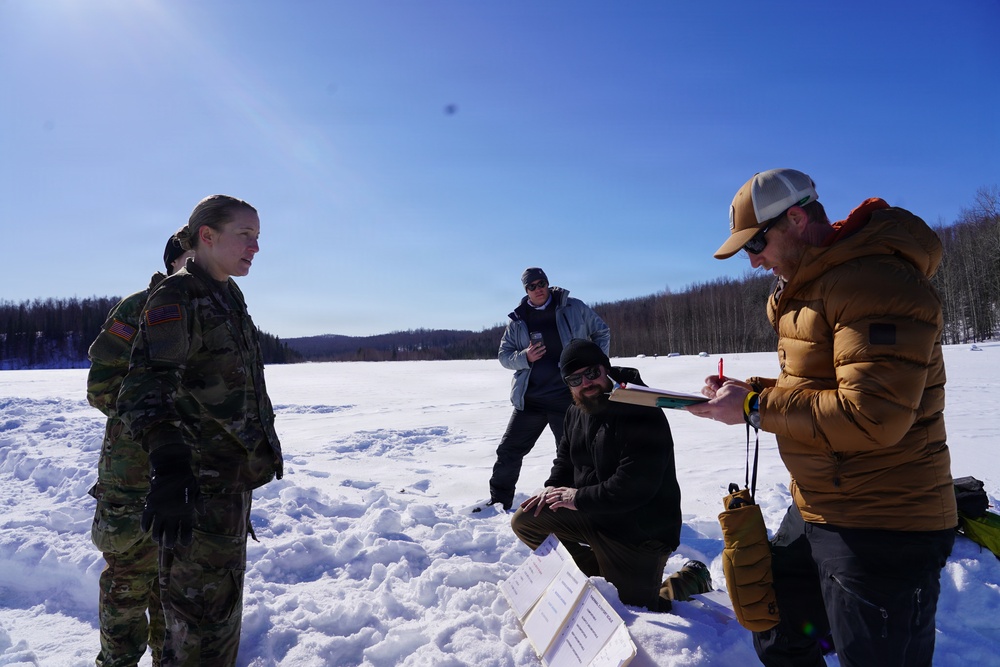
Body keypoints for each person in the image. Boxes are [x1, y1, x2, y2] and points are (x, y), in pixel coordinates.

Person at [686, 169, 957, 666]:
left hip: (882, 522)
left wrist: (753, 408)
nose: (753, 262)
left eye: (757, 244)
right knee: (775, 627)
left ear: (794, 219)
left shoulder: (874, 281)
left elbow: (873, 414)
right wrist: (752, 390)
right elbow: (818, 387)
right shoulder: (810, 289)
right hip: (819, 505)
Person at [118, 195, 283, 666]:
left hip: (229, 487)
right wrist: (169, 468)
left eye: (258, 237)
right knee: (200, 628)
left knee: (216, 617)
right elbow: (143, 389)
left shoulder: (227, 293)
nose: (255, 247)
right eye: (245, 235)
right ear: (206, 236)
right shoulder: (177, 297)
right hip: (197, 491)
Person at [87, 230, 194, 667]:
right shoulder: (140, 307)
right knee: (129, 584)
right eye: (190, 259)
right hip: (133, 476)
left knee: (174, 591)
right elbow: (102, 387)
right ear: (173, 262)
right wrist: (155, 419)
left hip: (188, 476)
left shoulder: (212, 312)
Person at [510, 339, 682, 611]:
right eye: (575, 378)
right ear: (568, 384)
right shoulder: (575, 410)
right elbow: (565, 459)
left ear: (606, 369)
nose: (586, 383)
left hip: (639, 529)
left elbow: (636, 485)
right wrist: (553, 486)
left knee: (633, 607)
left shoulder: (641, 409)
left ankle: (689, 578)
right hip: (595, 513)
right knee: (527, 519)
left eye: (592, 373)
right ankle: (596, 572)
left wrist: (577, 498)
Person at [488, 268, 610, 510]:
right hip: (530, 401)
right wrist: (525, 357)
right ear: (526, 291)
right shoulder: (518, 319)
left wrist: (595, 366)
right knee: (508, 450)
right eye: (531, 286)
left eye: (541, 283)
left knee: (573, 456)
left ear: (547, 283)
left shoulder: (573, 308)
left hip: (567, 400)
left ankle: (570, 504)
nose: (538, 289)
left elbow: (602, 331)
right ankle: (498, 502)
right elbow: (504, 356)